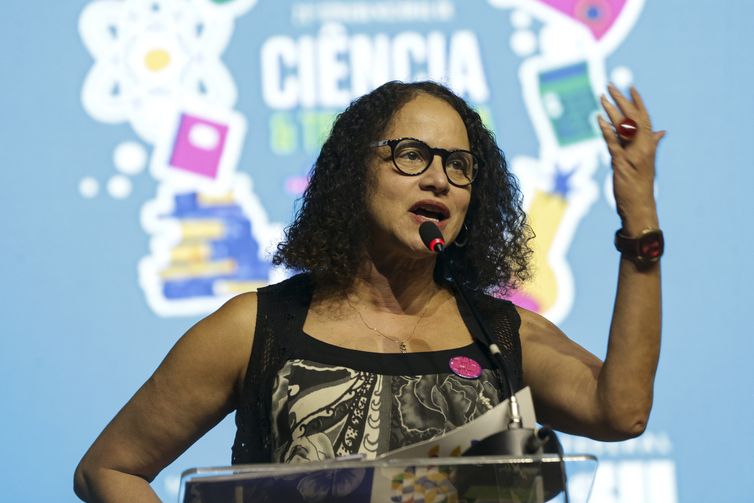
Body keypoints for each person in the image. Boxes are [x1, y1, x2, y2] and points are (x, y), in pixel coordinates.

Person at [74, 80, 665, 501]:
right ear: (354, 174)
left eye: (459, 165)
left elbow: (622, 412)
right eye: (411, 155)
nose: (438, 177)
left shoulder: (498, 335)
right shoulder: (256, 329)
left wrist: (638, 217)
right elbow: (110, 469)